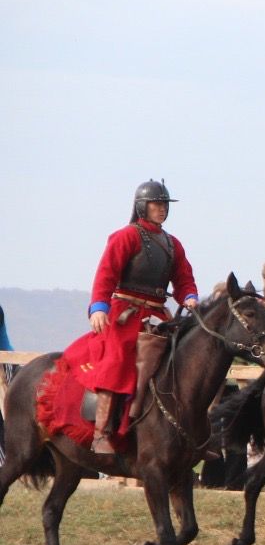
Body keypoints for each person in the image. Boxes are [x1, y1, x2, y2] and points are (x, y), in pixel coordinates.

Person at [62, 179, 199, 453]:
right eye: (156, 204)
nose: (162, 209)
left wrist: (191, 297)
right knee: (117, 360)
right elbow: (106, 274)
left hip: (159, 315)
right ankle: (102, 432)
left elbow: (184, 279)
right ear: (142, 206)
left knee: (184, 363)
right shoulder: (126, 236)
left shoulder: (174, 245)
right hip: (126, 313)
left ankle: (189, 436)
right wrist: (98, 307)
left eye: (164, 205)